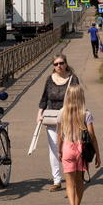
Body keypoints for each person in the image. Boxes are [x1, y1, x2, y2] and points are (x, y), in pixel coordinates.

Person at [57, 84, 100, 205]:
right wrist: (98, 154)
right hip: (81, 149)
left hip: (67, 148)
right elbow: (92, 135)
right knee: (80, 181)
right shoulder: (86, 113)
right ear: (81, 97)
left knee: (69, 183)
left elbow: (60, 135)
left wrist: (59, 150)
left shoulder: (62, 113)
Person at [36, 54, 80, 192]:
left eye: (61, 63)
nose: (58, 66)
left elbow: (77, 98)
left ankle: (72, 178)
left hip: (68, 118)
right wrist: (39, 114)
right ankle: (57, 180)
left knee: (70, 149)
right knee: (54, 148)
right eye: (55, 64)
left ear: (66, 64)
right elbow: (44, 98)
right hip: (51, 118)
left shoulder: (73, 79)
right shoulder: (50, 79)